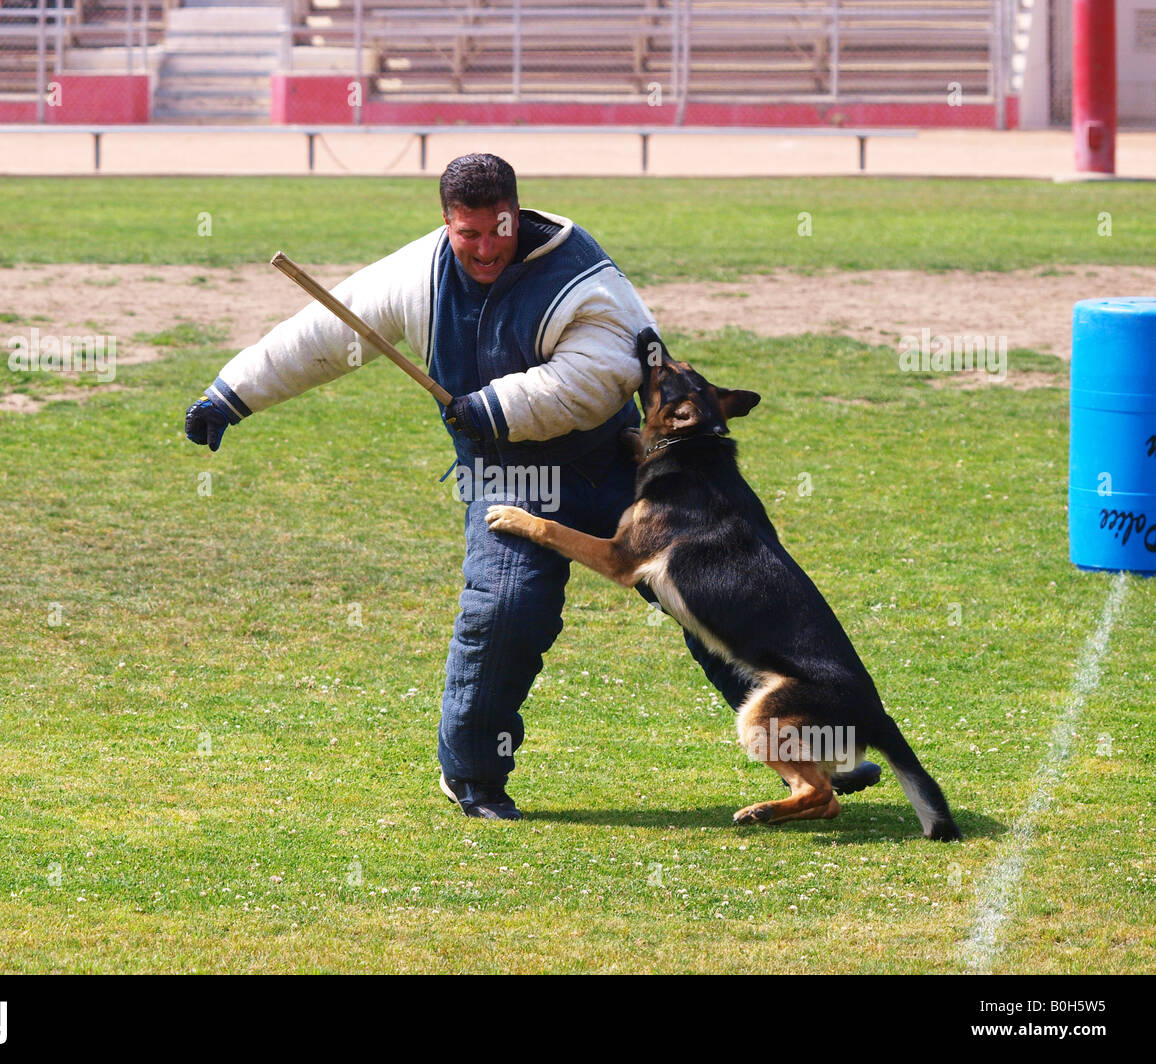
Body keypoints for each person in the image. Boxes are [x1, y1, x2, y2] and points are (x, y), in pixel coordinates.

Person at [185, 153, 779, 819]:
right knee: (504, 612)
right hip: (508, 479)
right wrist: (228, 396)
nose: (486, 248)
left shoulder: (585, 274)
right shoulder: (418, 274)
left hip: (617, 463)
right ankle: (472, 776)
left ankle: (806, 745)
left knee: (717, 587)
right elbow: (327, 331)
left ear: (516, 213)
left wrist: (491, 408)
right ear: (447, 225)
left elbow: (596, 376)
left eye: (498, 229)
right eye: (468, 235)